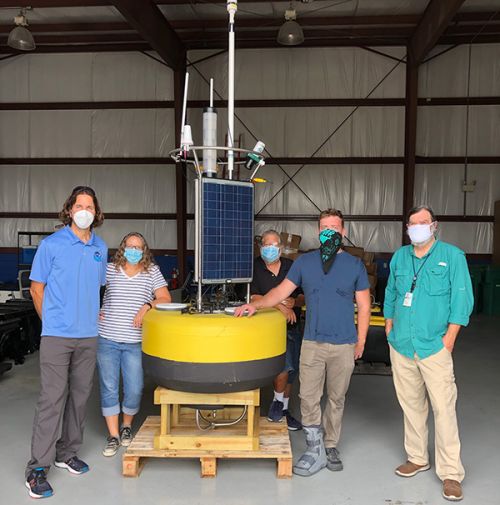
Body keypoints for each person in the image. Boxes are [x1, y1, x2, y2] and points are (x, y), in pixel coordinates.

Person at [236, 209, 370, 477]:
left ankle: (330, 444)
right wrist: (255, 304)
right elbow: (280, 292)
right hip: (312, 341)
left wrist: (361, 341)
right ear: (318, 232)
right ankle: (313, 446)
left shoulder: (355, 266)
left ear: (343, 232)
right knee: (308, 396)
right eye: (324, 228)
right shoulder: (304, 263)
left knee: (336, 397)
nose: (329, 231)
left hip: (344, 343)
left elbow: (364, 306)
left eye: (335, 227)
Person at [384, 205, 473, 502]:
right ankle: (418, 457)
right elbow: (392, 293)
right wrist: (388, 325)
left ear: (434, 226)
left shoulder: (452, 257)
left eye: (423, 222)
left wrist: (449, 339)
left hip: (434, 346)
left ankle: (450, 473)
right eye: (412, 223)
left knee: (444, 409)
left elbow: (463, 299)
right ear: (407, 228)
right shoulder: (400, 256)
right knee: (411, 405)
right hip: (402, 344)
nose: (417, 227)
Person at [26, 186, 107, 499]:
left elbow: (97, 287)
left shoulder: (100, 247)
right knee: (52, 398)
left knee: (80, 396)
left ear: (95, 212)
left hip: (88, 335)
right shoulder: (52, 244)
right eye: (79, 205)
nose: (84, 210)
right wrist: (53, 323)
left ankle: (67, 452)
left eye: (90, 205)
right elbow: (36, 288)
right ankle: (37, 468)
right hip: (58, 336)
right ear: (70, 210)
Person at [97, 232, 171, 457]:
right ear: (122, 248)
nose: (133, 250)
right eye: (130, 246)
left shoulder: (152, 272)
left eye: (138, 247)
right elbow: (88, 290)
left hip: (135, 342)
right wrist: (94, 309)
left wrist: (147, 305)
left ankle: (126, 426)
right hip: (107, 338)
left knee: (134, 388)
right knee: (109, 387)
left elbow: (166, 298)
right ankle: (113, 435)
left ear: (144, 250)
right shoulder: (109, 270)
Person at [250, 230, 304, 431]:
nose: (270, 249)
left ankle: (283, 409)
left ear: (281, 248)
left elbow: (303, 295)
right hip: (265, 326)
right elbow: (254, 297)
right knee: (283, 365)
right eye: (266, 245)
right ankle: (278, 403)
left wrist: (294, 301)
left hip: (292, 324)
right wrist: (281, 306)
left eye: (274, 245)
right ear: (260, 246)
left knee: (291, 370)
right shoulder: (254, 267)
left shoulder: (292, 267)